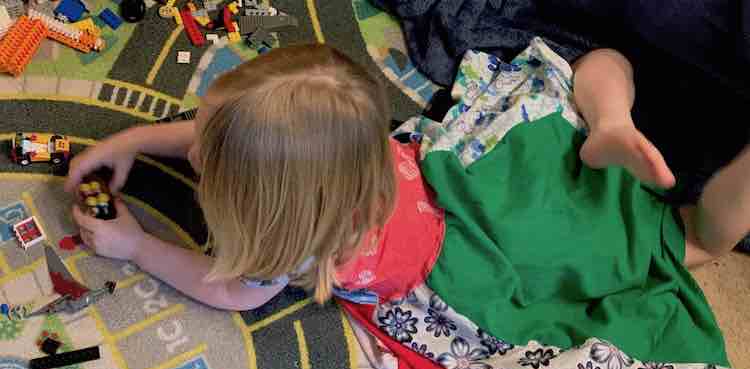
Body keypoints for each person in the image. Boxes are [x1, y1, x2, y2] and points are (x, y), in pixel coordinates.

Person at [65, 42, 748, 313]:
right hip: (464, 166)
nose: (192, 147)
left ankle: (618, 132)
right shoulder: (332, 156)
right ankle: (607, 119)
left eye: (208, 149)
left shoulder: (292, 241)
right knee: (600, 62)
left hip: (469, 252)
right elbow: (227, 138)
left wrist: (135, 248)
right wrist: (130, 139)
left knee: (687, 241)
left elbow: (235, 293)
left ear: (268, 205)